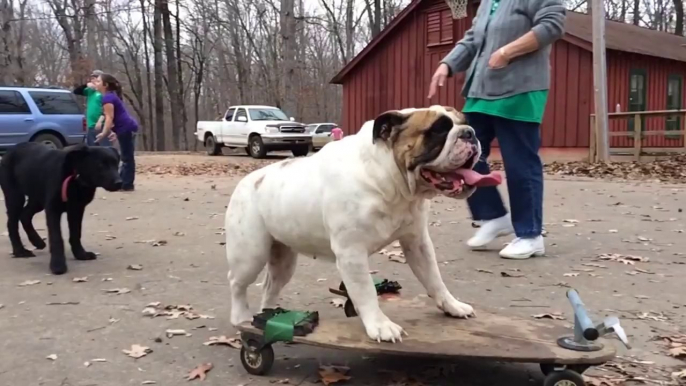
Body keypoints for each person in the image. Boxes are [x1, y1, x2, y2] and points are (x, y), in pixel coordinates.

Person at [427, 0, 565, 259]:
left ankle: (530, 235)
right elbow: (472, 39)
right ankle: (492, 215)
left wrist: (508, 52)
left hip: (521, 89)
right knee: (462, 155)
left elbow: (552, 25)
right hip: (481, 90)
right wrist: (447, 64)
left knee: (520, 163)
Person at [93, 73, 139, 192]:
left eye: (98, 81)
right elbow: (115, 117)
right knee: (125, 156)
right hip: (124, 128)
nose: (95, 83)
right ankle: (123, 183)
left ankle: (127, 185)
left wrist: (104, 133)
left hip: (127, 128)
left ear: (105, 85)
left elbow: (109, 117)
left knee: (127, 157)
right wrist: (115, 132)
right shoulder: (110, 96)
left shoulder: (108, 98)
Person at [73, 70, 110, 146]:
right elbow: (76, 91)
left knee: (104, 149)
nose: (92, 80)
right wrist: (86, 85)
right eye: (91, 78)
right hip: (91, 125)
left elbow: (107, 109)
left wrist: (100, 121)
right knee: (92, 150)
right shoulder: (90, 91)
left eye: (94, 78)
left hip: (101, 125)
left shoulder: (103, 92)